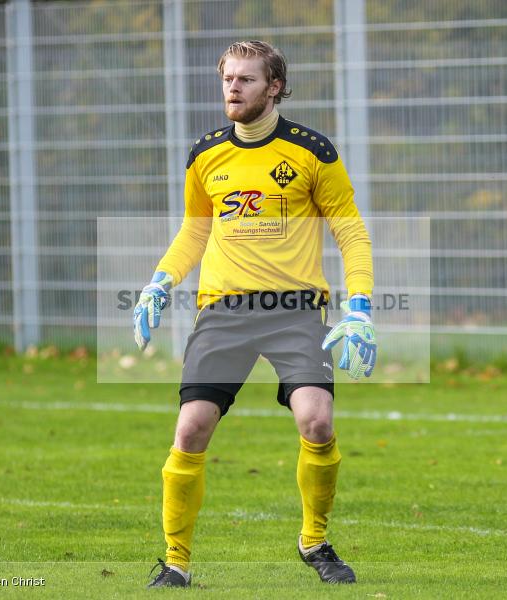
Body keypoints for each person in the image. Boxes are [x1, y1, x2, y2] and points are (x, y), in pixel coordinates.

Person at [134, 40, 376, 588]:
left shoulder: (313, 151)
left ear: (275, 86)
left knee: (317, 420)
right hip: (223, 310)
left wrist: (358, 306)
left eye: (246, 79)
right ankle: (175, 561)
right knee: (191, 428)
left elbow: (351, 231)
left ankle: (314, 541)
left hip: (294, 311)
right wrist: (159, 282)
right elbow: (194, 230)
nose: (233, 89)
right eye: (227, 79)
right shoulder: (205, 154)